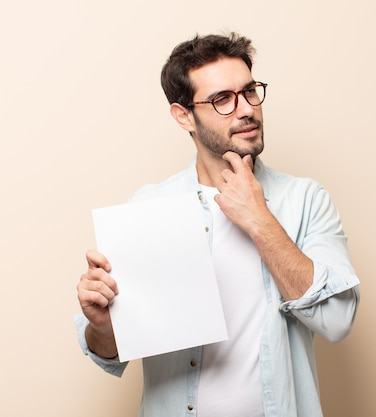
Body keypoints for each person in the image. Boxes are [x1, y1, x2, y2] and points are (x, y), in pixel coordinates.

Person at [75, 32, 360, 417]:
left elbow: (337, 319)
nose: (246, 110)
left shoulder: (306, 200)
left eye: (250, 92)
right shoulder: (148, 209)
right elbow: (109, 353)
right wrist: (105, 326)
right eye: (222, 99)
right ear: (183, 116)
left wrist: (259, 219)